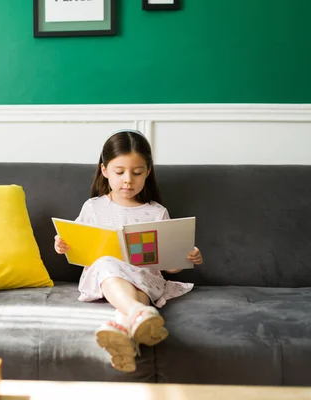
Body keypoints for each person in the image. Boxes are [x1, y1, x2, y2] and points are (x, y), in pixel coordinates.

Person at [54, 129, 203, 373]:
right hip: (104, 276)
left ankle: (124, 329)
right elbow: (76, 242)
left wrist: (186, 257)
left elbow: (168, 265)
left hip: (145, 277)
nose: (127, 180)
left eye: (136, 173)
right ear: (104, 170)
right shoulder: (93, 207)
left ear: (148, 172)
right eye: (119, 172)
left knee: (141, 274)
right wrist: (62, 245)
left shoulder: (156, 212)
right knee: (106, 263)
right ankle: (138, 312)